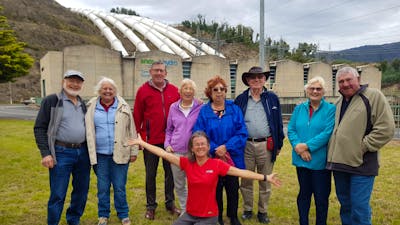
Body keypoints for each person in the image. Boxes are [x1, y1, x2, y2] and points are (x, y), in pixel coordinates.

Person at [128, 131, 281, 225]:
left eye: (203, 144)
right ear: (192, 149)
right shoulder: (187, 163)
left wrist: (266, 177)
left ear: (208, 147)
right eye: (197, 145)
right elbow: (163, 153)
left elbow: (241, 173)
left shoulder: (216, 164)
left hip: (208, 217)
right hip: (189, 215)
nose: (200, 147)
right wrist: (142, 143)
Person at [327, 66, 395, 225]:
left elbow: (386, 128)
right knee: (346, 207)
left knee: (359, 208)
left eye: (348, 80)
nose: (345, 84)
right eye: (341, 81)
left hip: (362, 165)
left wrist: (362, 146)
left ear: (358, 79)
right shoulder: (339, 102)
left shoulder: (373, 96)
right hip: (340, 165)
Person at [33, 70, 91, 225]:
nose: (75, 84)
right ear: (63, 81)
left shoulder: (83, 103)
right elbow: (39, 128)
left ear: (82, 84)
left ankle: (73, 220)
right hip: (61, 152)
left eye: (78, 81)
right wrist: (46, 153)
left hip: (83, 153)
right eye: (71, 80)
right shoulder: (52, 100)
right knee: (58, 193)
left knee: (81, 191)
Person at [193, 75, 248, 225]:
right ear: (209, 92)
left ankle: (233, 216)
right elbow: (198, 133)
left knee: (232, 188)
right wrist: (215, 149)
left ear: (225, 91)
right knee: (215, 190)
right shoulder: (204, 112)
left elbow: (242, 132)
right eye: (215, 89)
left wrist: (226, 147)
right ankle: (217, 216)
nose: (219, 92)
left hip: (232, 157)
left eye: (222, 89)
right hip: (212, 157)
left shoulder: (234, 109)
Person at [234, 66, 285, 223]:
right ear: (248, 81)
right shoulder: (241, 99)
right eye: (253, 78)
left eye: (260, 77)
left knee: (265, 179)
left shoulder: (272, 98)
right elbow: (236, 122)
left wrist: (278, 145)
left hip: (266, 145)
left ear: (264, 80)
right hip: (246, 145)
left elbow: (278, 123)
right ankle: (248, 209)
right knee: (246, 179)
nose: (257, 80)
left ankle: (263, 211)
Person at [85, 77, 139, 225]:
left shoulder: (124, 106)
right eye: (105, 88)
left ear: (115, 91)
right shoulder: (91, 106)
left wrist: (134, 151)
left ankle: (123, 214)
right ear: (99, 91)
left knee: (119, 187)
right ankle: (103, 215)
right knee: (102, 187)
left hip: (120, 153)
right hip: (100, 155)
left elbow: (131, 129)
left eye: (111, 89)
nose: (108, 91)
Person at [133, 60, 181, 220]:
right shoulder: (142, 91)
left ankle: (170, 203)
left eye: (161, 70)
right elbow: (137, 116)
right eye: (156, 71)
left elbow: (183, 109)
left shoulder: (175, 91)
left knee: (171, 174)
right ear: (150, 72)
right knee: (150, 175)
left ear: (166, 73)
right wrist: (141, 137)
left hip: (170, 141)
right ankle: (151, 206)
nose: (159, 73)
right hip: (151, 141)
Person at [287, 76, 335, 225]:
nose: (315, 91)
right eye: (312, 88)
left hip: (320, 161)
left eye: (318, 88)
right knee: (304, 195)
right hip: (302, 161)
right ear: (307, 90)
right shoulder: (299, 108)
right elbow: (291, 130)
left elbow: (327, 132)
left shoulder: (330, 109)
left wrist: (306, 146)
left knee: (321, 197)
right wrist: (298, 148)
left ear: (324, 91)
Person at [164, 78, 203, 213]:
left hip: (195, 152)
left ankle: (197, 209)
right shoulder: (173, 107)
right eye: (185, 88)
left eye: (190, 89)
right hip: (176, 152)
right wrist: (167, 145)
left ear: (194, 92)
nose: (188, 91)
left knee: (196, 183)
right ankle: (186, 211)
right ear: (180, 91)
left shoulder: (200, 107)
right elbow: (168, 130)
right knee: (179, 184)